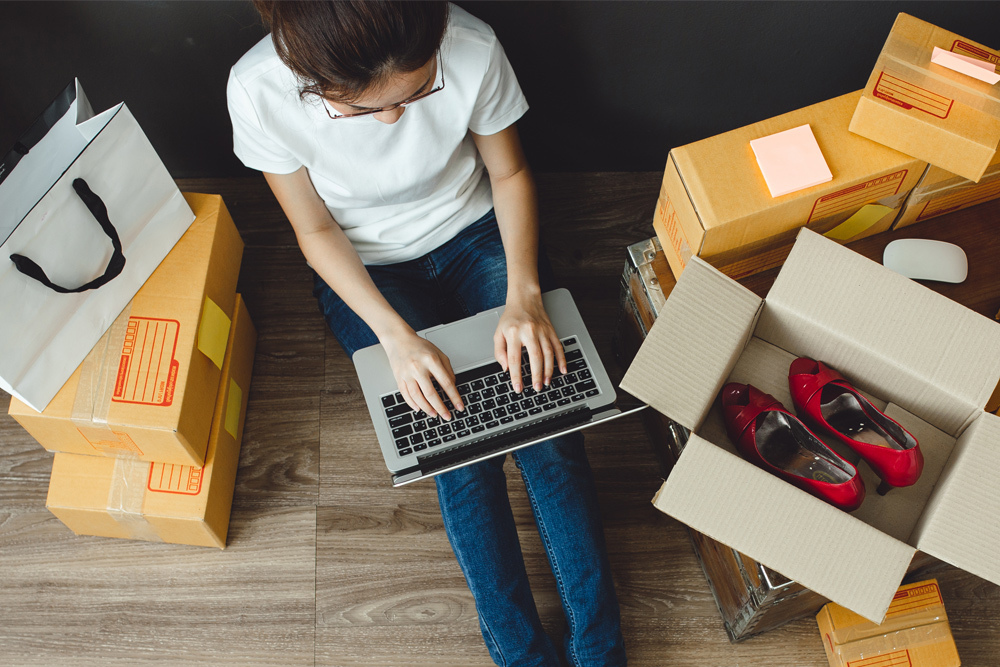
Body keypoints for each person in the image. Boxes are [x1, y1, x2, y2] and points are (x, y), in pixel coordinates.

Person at [227, 2, 626, 665]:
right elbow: (315, 231)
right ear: (311, 80)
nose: (393, 118)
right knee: (457, 454)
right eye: (360, 110)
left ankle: (601, 647)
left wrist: (525, 293)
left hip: (475, 232)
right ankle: (520, 653)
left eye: (418, 93)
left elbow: (510, 173)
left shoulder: (469, 46)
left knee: (549, 434)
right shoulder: (258, 89)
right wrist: (394, 335)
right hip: (363, 264)